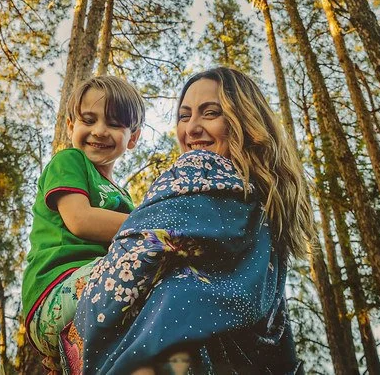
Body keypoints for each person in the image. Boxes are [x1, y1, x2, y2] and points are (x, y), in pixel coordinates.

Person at [64, 67, 313, 374]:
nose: (192, 128)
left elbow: (125, 269)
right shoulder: (266, 210)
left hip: (162, 355)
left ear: (245, 120)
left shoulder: (200, 171)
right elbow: (278, 333)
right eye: (184, 116)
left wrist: (86, 322)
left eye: (209, 113)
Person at [22, 75, 147, 369]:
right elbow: (80, 220)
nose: (99, 131)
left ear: (133, 137)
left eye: (114, 124)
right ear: (71, 127)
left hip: (100, 296)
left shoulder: (123, 198)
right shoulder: (69, 162)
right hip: (58, 288)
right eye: (88, 120)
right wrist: (156, 227)